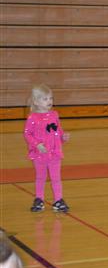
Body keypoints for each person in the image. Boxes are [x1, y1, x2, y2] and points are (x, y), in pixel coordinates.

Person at [23, 85, 70, 213]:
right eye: (45, 99)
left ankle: (58, 200)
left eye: (50, 98)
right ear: (36, 102)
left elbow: (57, 130)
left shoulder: (54, 114)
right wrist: (37, 144)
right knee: (40, 177)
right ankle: (39, 199)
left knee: (56, 177)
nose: (49, 101)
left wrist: (63, 137)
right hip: (40, 154)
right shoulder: (32, 118)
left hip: (54, 153)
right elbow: (27, 134)